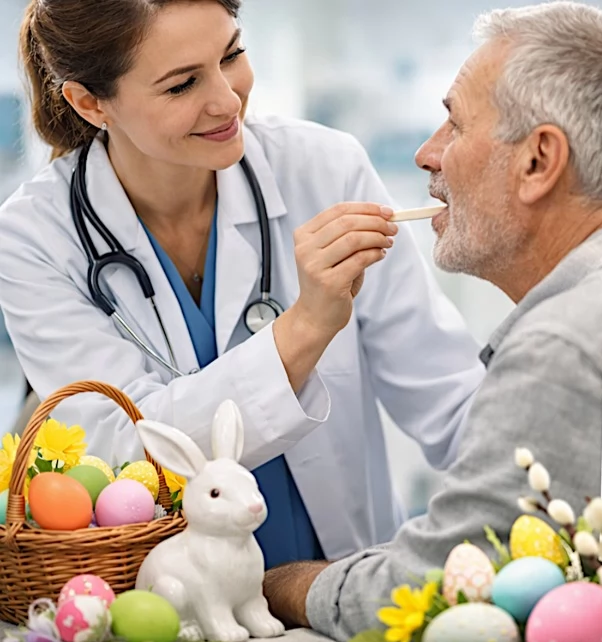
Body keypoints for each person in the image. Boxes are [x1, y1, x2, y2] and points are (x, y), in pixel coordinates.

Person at [0, 0, 486, 569]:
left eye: (232, 54)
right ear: (90, 102)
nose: (228, 100)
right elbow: (127, 456)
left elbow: (450, 399)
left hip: (343, 589)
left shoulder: (324, 168)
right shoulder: (36, 238)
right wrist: (305, 327)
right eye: (182, 85)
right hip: (174, 602)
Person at [258, 3, 602, 640]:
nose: (427, 154)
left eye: (453, 123)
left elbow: (423, 585)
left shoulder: (559, 344)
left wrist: (270, 585)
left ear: (538, 161)